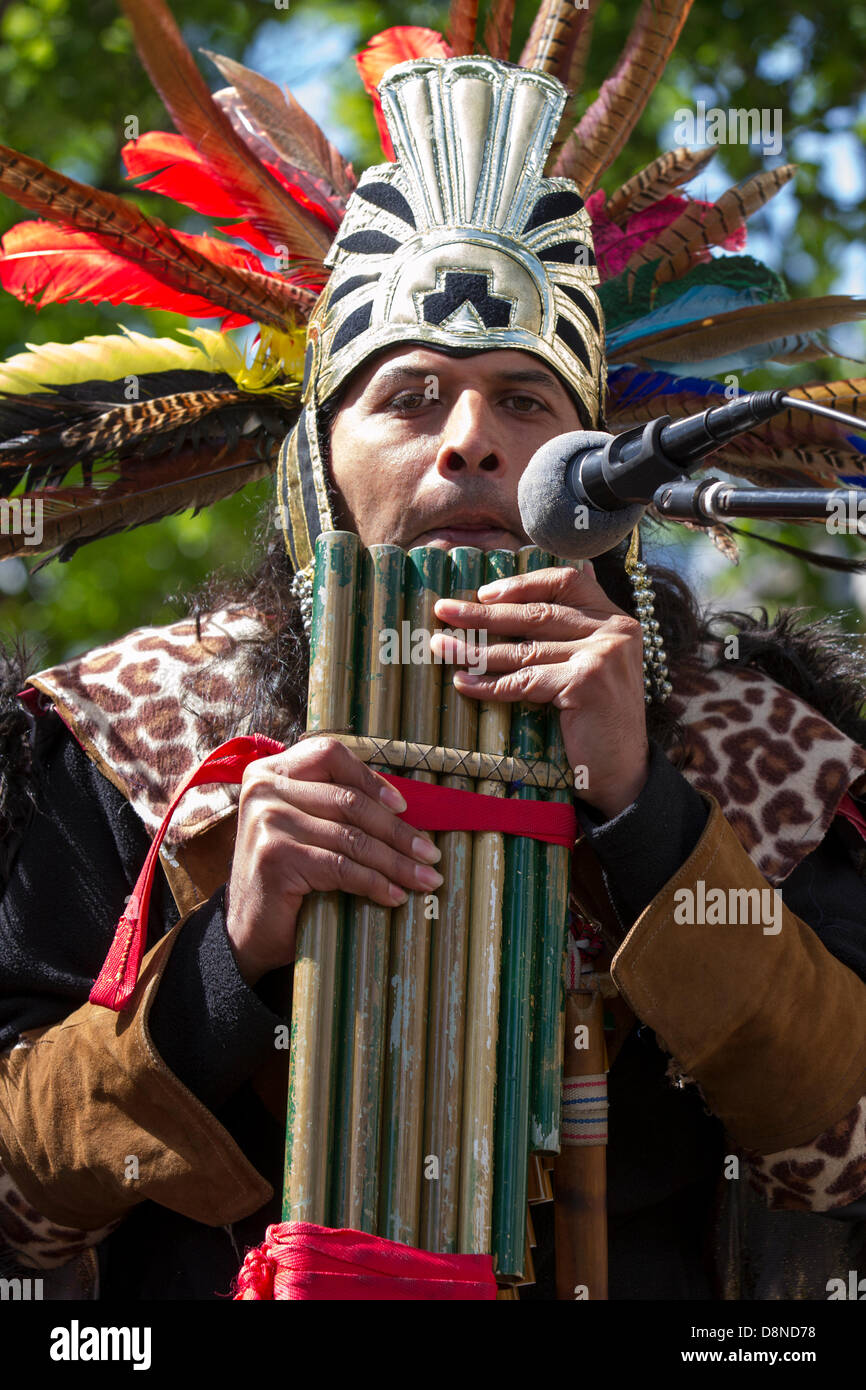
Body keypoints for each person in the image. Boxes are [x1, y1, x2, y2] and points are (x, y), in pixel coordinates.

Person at [2, 7, 866, 1302]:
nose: (468, 440)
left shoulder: (772, 752)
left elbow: (839, 1153)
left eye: (523, 400)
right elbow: (19, 1200)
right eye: (407, 396)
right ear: (315, 466)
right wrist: (220, 966)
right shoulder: (129, 735)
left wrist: (649, 814)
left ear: (593, 466)